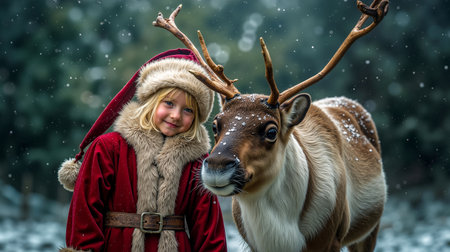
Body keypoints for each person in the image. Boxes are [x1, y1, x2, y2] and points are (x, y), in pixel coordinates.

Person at [57, 48, 227, 252]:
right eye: (169, 103)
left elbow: (209, 230)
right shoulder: (107, 148)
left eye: (188, 110)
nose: (175, 115)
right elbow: (85, 215)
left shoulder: (198, 163)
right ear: (151, 101)